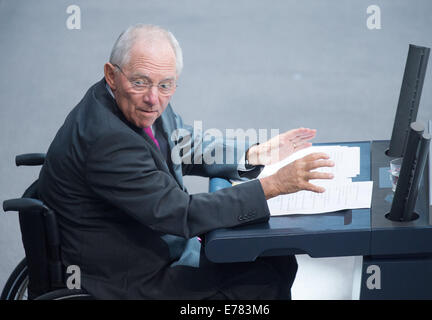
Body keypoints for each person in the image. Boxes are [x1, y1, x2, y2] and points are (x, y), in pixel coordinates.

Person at [37, 24, 334, 299]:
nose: (153, 98)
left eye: (166, 85)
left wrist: (253, 155)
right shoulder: (107, 141)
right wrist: (272, 186)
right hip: (130, 273)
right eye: (141, 82)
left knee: (275, 258)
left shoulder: (135, 99)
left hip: (147, 240)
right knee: (261, 283)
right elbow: (180, 214)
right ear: (111, 75)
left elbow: (183, 144)